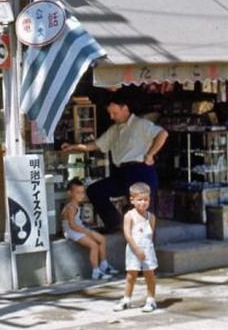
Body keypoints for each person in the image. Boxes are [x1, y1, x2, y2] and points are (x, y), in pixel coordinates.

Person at [62, 90, 168, 233]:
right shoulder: (114, 130)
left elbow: (162, 134)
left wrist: (150, 154)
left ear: (125, 109)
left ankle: (144, 247)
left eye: (115, 113)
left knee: (141, 219)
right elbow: (96, 145)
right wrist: (73, 146)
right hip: (121, 173)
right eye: (110, 113)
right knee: (95, 191)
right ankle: (115, 224)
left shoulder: (140, 124)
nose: (112, 117)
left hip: (139, 171)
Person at [61, 178, 118, 279]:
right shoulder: (71, 207)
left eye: (82, 192)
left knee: (102, 239)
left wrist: (86, 227)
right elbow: (72, 225)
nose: (81, 195)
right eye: (78, 192)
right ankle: (96, 272)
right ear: (70, 193)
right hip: (72, 231)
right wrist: (86, 232)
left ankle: (104, 265)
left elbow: (77, 222)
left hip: (79, 228)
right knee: (94, 246)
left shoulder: (76, 205)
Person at [114, 182, 158, 313]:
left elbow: (151, 234)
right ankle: (126, 299)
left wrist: (146, 249)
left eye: (146, 200)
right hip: (134, 250)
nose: (143, 203)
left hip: (147, 249)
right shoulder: (129, 216)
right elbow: (127, 234)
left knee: (149, 275)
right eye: (139, 200)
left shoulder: (151, 217)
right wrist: (137, 249)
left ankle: (151, 299)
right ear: (132, 200)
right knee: (131, 275)